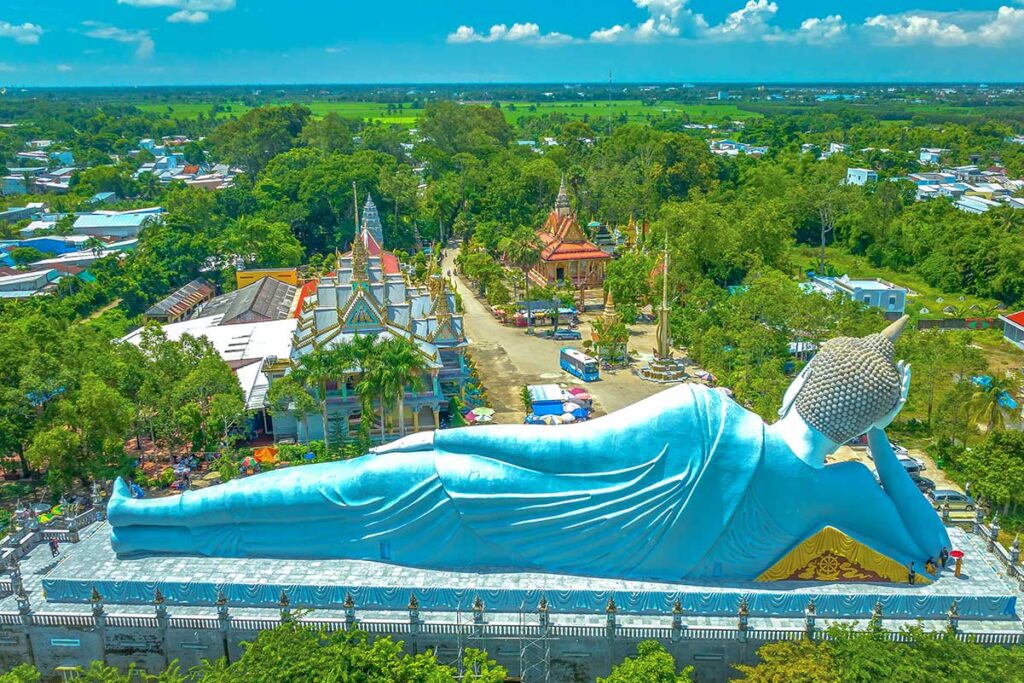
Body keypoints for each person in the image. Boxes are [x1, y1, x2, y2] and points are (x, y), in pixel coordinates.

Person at [108, 317, 949, 585]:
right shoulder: (843, 496)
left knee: (350, 488)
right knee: (338, 520)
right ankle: (149, 525)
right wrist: (877, 434)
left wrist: (439, 432)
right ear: (859, 424)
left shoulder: (707, 416)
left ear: (802, 382)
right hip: (526, 536)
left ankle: (149, 520)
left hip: (499, 506)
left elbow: (555, 453)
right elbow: (932, 549)